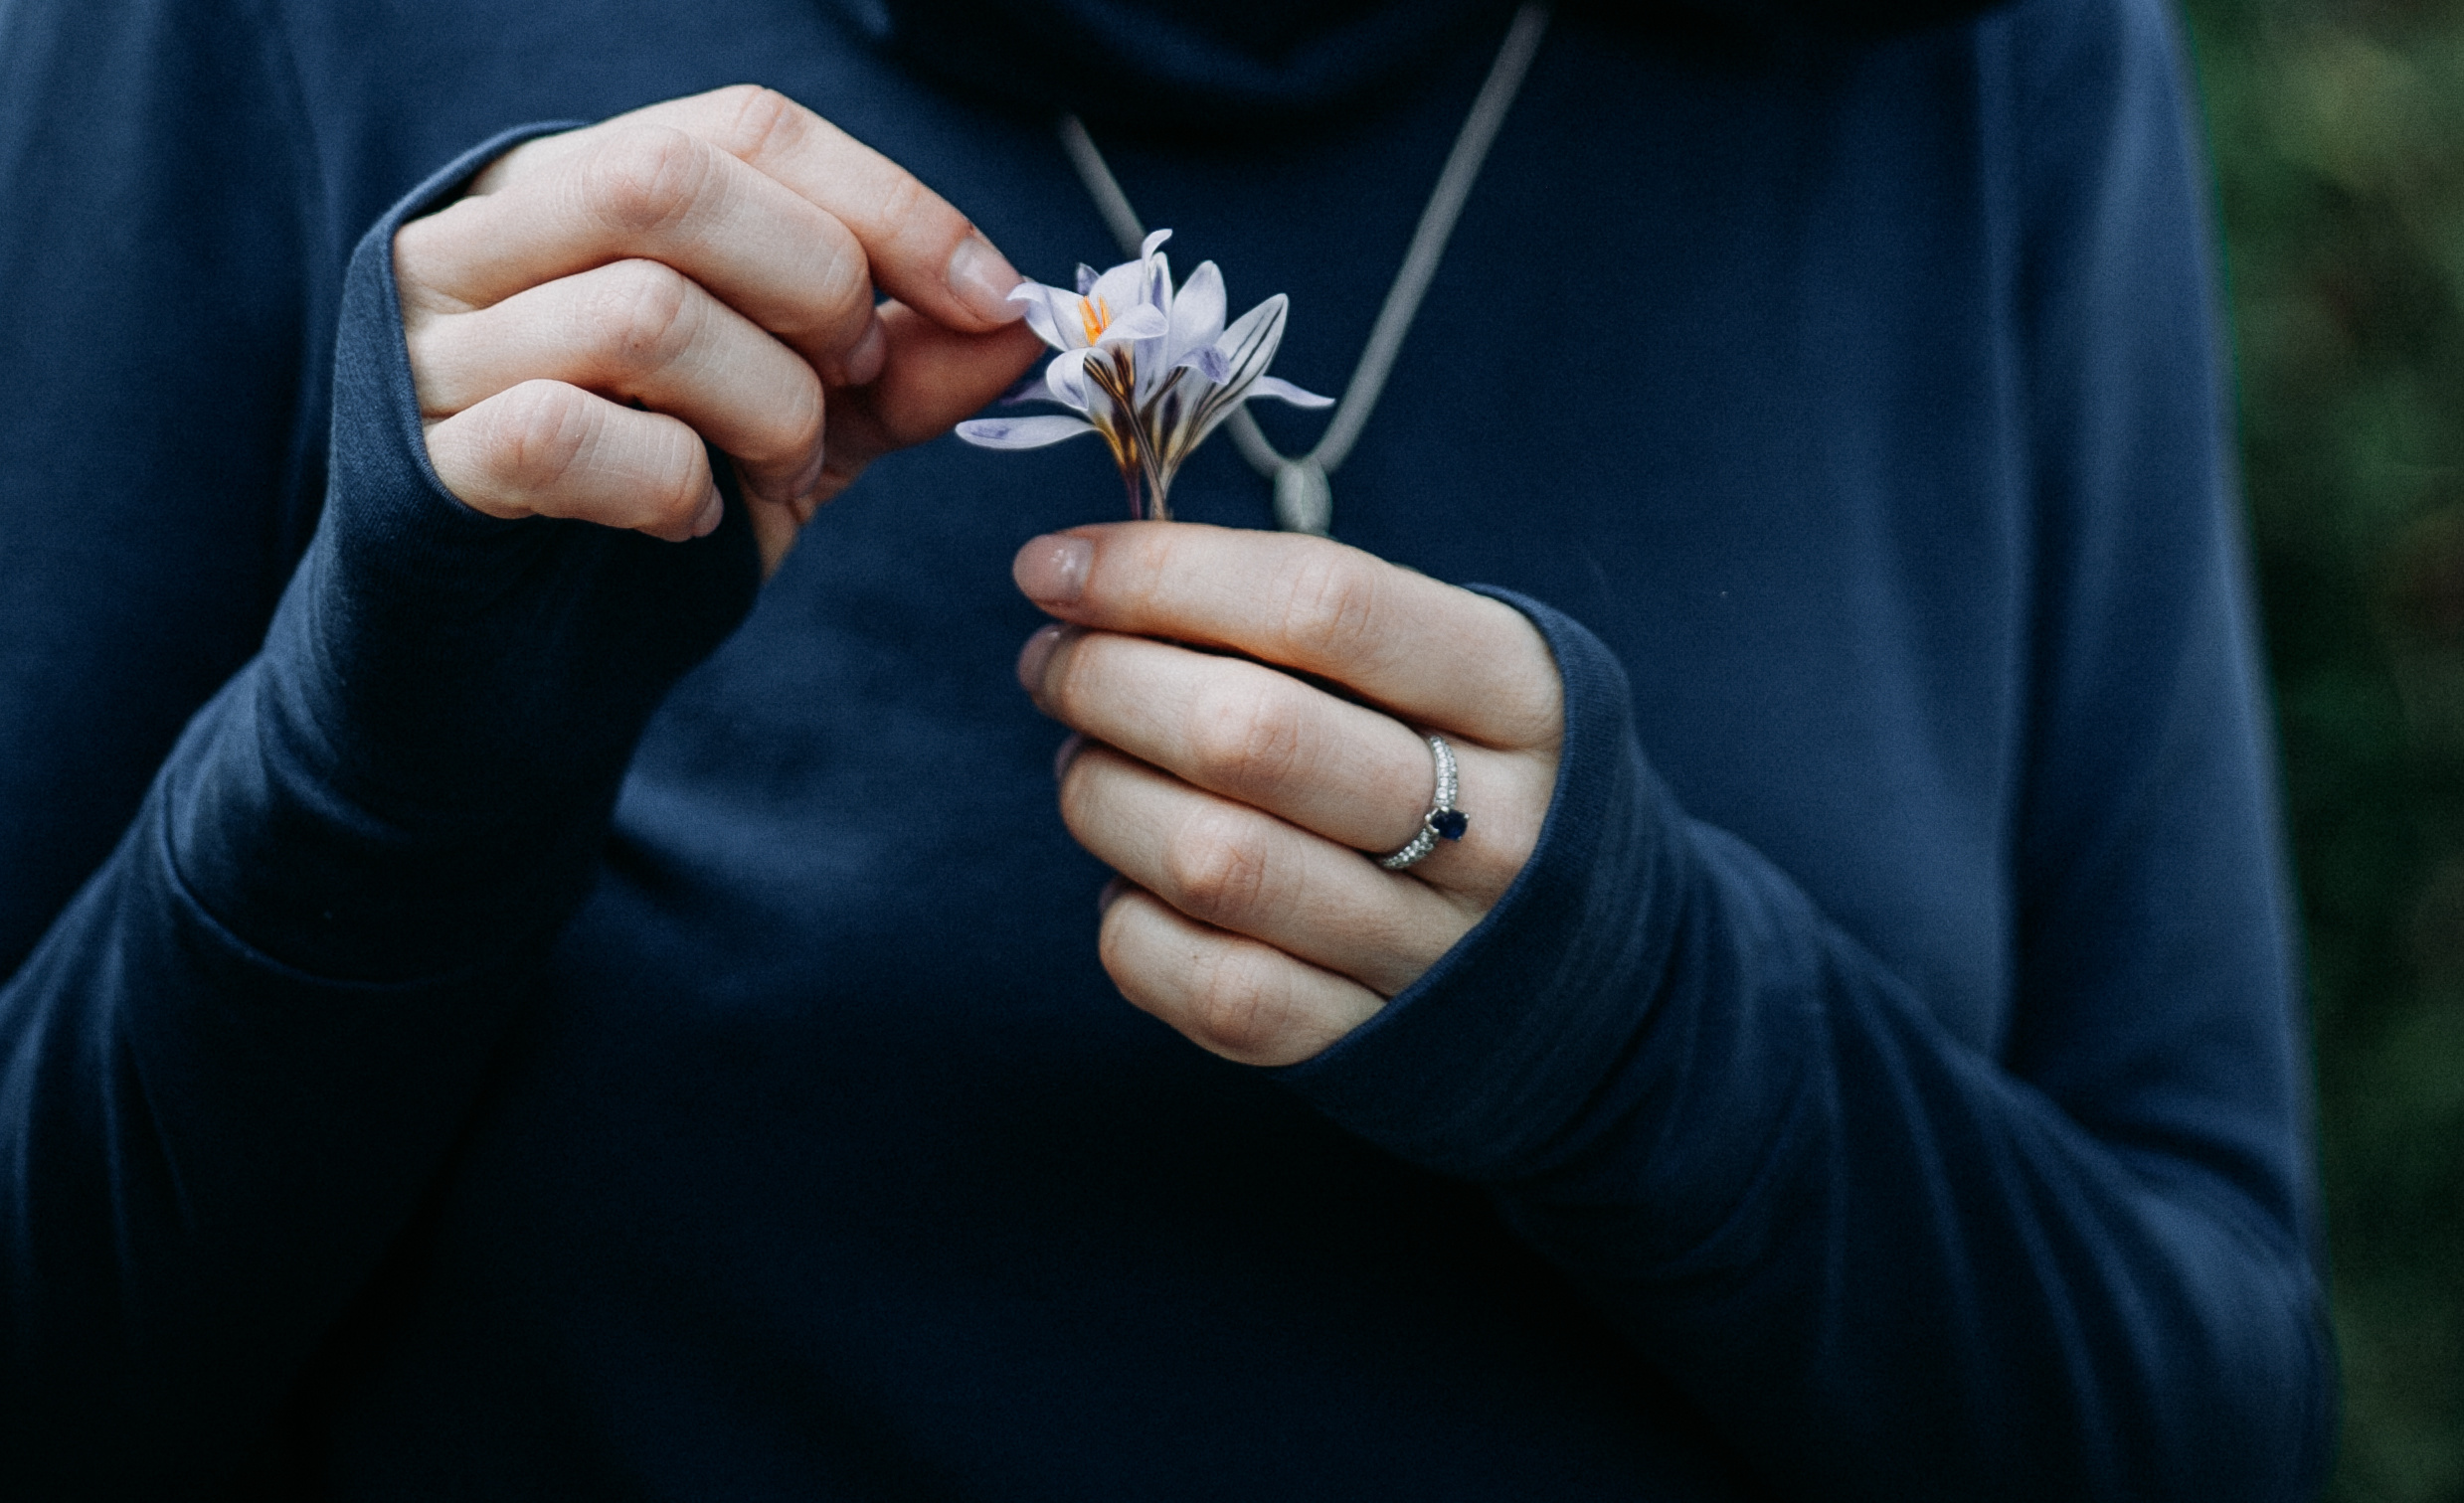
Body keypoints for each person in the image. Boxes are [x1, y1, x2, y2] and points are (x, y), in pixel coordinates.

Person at [0, 0, 2334, 1496]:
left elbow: (2220, 1413)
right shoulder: (263, 35)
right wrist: (391, 763)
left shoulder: (1991, 65)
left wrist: (1660, 1035)